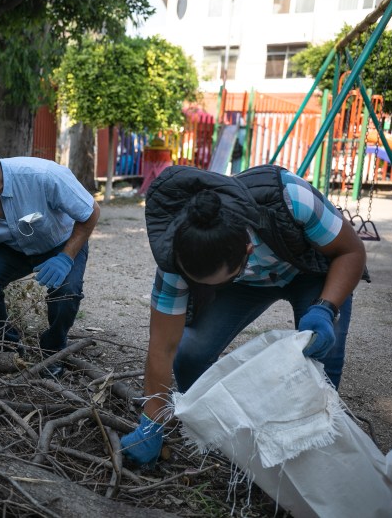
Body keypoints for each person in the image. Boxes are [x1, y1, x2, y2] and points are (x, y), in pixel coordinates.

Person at [120, 164, 367, 465]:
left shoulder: (290, 199)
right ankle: (217, 427)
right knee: (190, 353)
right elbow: (162, 348)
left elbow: (351, 252)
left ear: (248, 250)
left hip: (310, 271)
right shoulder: (175, 258)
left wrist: (325, 308)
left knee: (322, 358)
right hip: (244, 285)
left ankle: (312, 448)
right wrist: (151, 422)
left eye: (212, 282)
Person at [0, 138, 100, 378]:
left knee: (67, 292)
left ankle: (53, 350)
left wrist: (66, 258)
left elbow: (91, 212)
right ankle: (7, 347)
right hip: (11, 248)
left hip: (61, 243)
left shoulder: (43, 176)